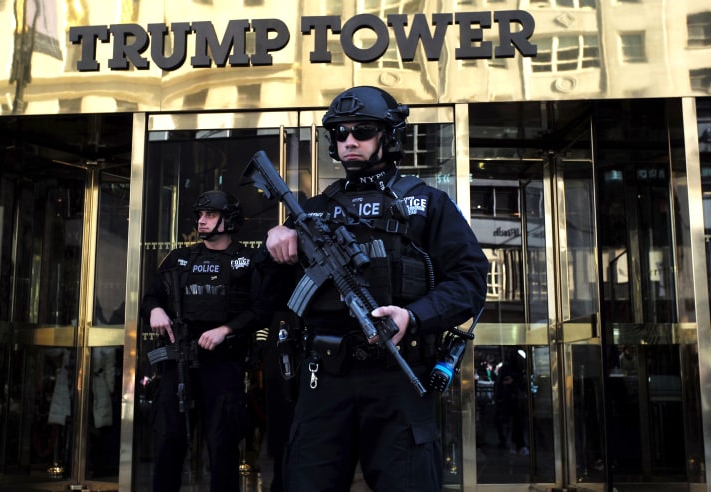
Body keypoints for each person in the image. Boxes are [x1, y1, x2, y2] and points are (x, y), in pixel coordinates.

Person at [263, 86, 489, 491]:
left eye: (363, 131)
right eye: (341, 132)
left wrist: (414, 316)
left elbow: (471, 281)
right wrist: (275, 242)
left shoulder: (426, 203)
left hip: (397, 373)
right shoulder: (312, 211)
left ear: (390, 136)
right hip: (323, 376)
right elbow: (270, 298)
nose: (349, 140)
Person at [141, 190, 267, 492]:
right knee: (169, 440)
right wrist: (156, 310)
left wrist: (226, 330)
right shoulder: (179, 258)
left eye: (209, 215)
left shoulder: (247, 260)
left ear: (228, 220)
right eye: (200, 215)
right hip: (178, 361)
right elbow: (151, 296)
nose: (202, 221)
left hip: (222, 364)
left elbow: (261, 309)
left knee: (221, 445)